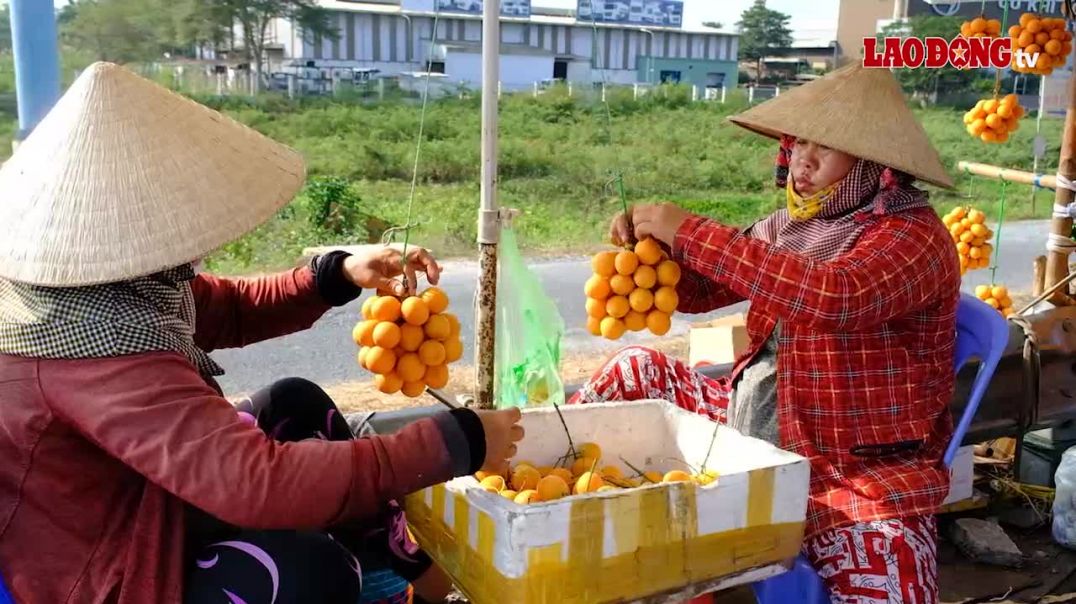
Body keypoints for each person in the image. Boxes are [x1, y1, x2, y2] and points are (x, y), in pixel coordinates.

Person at [0, 62, 522, 604]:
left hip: (148, 489)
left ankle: (427, 585)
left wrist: (335, 275)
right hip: (109, 563)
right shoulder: (91, 347)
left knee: (294, 402)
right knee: (309, 572)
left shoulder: (103, 284)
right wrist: (457, 441)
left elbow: (224, 307)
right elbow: (260, 484)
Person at [571, 64, 960, 602]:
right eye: (799, 141)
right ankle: (558, 501)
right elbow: (706, 291)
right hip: (754, 426)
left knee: (891, 585)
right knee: (636, 369)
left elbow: (831, 296)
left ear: (875, 164)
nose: (804, 159)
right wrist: (659, 257)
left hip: (851, 465)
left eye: (827, 147)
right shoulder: (793, 228)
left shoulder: (912, 239)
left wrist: (689, 229)